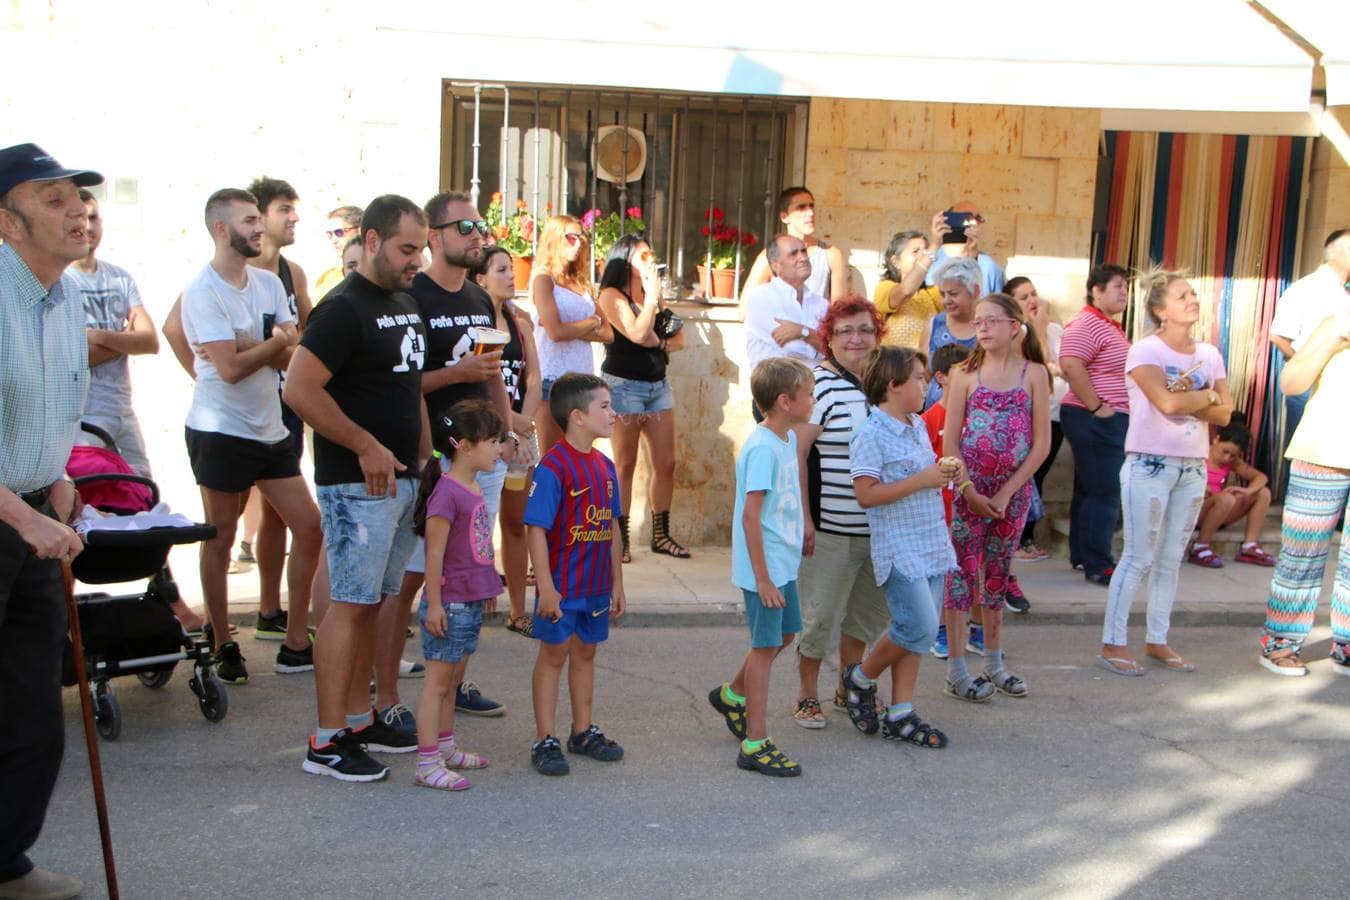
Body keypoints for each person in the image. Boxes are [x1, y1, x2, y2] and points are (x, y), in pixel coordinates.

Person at [286, 194, 429, 781]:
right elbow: (299, 389)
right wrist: (364, 444)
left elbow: (409, 386)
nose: (415, 259)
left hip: (402, 482)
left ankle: (358, 716)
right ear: (371, 241)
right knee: (348, 605)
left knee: (373, 602)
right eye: (405, 248)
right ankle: (325, 740)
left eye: (420, 247)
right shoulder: (341, 308)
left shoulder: (403, 300)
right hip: (356, 485)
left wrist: (425, 459)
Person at [0, 141, 100, 900]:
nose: (78, 210)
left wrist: (57, 478)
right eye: (54, 197)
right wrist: (19, 515)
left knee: (31, 708)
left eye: (79, 195)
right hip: (9, 517)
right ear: (6, 221)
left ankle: (5, 861)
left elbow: (35, 408)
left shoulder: (65, 297)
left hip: (30, 516)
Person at [178, 188, 321, 683]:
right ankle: (221, 642)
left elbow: (293, 350)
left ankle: (296, 640)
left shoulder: (267, 283)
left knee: (309, 527)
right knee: (219, 537)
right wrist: (271, 344)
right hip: (220, 430)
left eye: (260, 219)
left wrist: (258, 345)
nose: (258, 228)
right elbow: (231, 369)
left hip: (270, 426)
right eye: (248, 221)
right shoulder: (202, 290)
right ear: (221, 229)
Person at [389, 191, 513, 729]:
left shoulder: (479, 298)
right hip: (435, 461)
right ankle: (388, 694)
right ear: (434, 236)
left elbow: (492, 374)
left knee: (468, 577)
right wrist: (453, 376)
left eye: (479, 225)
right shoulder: (411, 296)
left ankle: (453, 686)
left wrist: (507, 433)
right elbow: (399, 384)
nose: (476, 235)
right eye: (464, 227)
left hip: (478, 460)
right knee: (414, 579)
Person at [1097, 271, 1232, 676]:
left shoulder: (1209, 353)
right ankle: (1112, 642)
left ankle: (1157, 638)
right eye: (1182, 295)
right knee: (1138, 555)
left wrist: (1197, 398)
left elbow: (1226, 411)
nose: (1192, 300)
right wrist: (1206, 396)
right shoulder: (1144, 350)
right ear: (1160, 310)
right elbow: (1165, 404)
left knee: (1171, 558)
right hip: (1148, 462)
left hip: (1192, 466)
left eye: (1192, 294)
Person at [841, 346, 961, 748]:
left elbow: (924, 474)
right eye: (919, 378)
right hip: (899, 548)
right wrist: (924, 479)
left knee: (914, 633)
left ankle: (901, 711)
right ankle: (859, 678)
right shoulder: (870, 434)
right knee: (920, 628)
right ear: (893, 385)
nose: (926, 384)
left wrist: (945, 471)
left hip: (930, 540)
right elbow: (867, 495)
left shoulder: (917, 425)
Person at [708, 357, 814, 778]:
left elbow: (785, 496)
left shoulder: (786, 438)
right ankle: (756, 742)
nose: (813, 400)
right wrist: (764, 579)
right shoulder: (760, 448)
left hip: (782, 563)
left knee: (785, 634)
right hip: (763, 570)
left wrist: (803, 525)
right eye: (808, 394)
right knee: (765, 647)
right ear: (786, 401)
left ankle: (734, 695)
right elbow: (750, 517)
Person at [942, 293, 1050, 702]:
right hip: (970, 491)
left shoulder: (1034, 374)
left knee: (998, 575)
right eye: (979, 322)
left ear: (1014, 326)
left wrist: (1007, 492)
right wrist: (967, 489)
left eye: (992, 320)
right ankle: (955, 669)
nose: (983, 327)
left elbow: (1041, 445)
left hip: (1013, 495)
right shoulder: (963, 375)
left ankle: (994, 662)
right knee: (961, 575)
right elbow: (950, 440)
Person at [791, 296, 888, 729]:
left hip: (879, 527)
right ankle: (807, 695)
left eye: (864, 329)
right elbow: (797, 455)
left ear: (877, 335)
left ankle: (848, 688)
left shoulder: (885, 384)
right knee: (819, 616)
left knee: (863, 619)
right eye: (845, 330)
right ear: (829, 337)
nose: (855, 338)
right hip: (830, 527)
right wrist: (805, 519)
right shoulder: (820, 385)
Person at [523, 373, 627, 776]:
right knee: (554, 656)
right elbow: (536, 529)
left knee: (586, 652)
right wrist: (545, 587)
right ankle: (544, 737)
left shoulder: (605, 466)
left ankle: (582, 730)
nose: (613, 413)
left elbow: (613, 527)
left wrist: (618, 583)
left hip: (597, 587)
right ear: (578, 417)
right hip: (562, 588)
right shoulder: (553, 467)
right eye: (604, 406)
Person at [411, 400, 502, 790]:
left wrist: (487, 584)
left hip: (471, 598)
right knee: (437, 682)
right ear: (464, 446)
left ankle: (446, 747)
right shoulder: (447, 493)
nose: (500, 449)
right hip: (449, 603)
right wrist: (433, 604)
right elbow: (434, 553)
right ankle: (427, 761)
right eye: (494, 441)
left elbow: (476, 545)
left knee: (453, 679)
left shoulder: (473, 485)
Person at [1258, 308, 1350, 677]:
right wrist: (1332, 339)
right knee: (1302, 555)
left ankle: (1345, 645)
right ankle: (1280, 643)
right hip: (1322, 453)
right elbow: (1291, 382)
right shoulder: (1337, 321)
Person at [243, 175, 314, 646]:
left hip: (284, 405)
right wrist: (206, 376)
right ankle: (230, 635)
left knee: (278, 515)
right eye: (284, 209)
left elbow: (308, 335)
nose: (294, 218)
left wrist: (286, 356)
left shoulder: (293, 272)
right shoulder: (236, 271)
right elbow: (176, 327)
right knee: (228, 520)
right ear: (260, 216)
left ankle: (272, 610)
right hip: (240, 411)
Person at [596, 234, 689, 563]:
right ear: (625, 260)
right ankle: (619, 540)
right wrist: (651, 301)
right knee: (625, 465)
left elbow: (677, 338)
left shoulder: (653, 294)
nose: (652, 261)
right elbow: (636, 332)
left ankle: (661, 535)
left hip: (657, 386)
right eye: (644, 255)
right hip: (624, 386)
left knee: (667, 463)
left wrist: (657, 340)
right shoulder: (611, 295)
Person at [475, 245, 543, 636]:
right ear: (480, 278)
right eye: (501, 269)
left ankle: (517, 611)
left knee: (517, 522)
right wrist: (510, 420)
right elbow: (483, 379)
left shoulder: (521, 322)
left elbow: (533, 376)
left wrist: (523, 422)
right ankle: (469, 601)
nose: (511, 275)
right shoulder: (475, 320)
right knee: (476, 521)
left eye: (512, 269)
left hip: (519, 438)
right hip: (486, 435)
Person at [69, 188, 159, 476]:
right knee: (93, 501)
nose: (88, 226)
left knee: (142, 495)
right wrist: (125, 338)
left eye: (93, 218)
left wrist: (98, 336)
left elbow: (150, 341)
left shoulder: (120, 277)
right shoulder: (59, 281)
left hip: (124, 410)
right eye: (80, 218)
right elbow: (75, 357)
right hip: (83, 416)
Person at [1059, 264, 1132, 586]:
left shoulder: (1108, 325)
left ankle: (1083, 556)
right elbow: (1071, 363)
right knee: (1105, 490)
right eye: (1117, 286)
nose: (1124, 293)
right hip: (1094, 417)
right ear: (1096, 290)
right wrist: (1099, 407)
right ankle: (1099, 563)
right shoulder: (1087, 322)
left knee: (1090, 489)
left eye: (1126, 287)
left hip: (1102, 417)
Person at [531, 215, 612, 453]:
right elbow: (555, 333)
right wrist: (590, 321)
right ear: (555, 239)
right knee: (552, 455)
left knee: (581, 453)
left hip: (583, 381)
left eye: (581, 238)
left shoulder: (581, 282)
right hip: (551, 380)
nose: (577, 243)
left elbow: (608, 333)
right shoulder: (543, 278)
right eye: (570, 237)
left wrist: (573, 328)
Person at [1269, 230, 1350, 447]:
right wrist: (1306, 363)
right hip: (1307, 385)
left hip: (1338, 387)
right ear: (1337, 253)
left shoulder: (1344, 292)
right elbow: (1278, 335)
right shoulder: (1307, 288)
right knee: (1306, 452)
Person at [1008, 276, 1067, 561]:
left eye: (1034, 293)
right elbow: (1040, 369)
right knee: (1025, 476)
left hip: (1055, 414)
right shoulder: (1017, 333)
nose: (1032, 301)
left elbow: (1065, 367)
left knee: (1039, 476)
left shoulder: (1056, 330)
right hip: (1027, 416)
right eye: (1023, 297)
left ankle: (1027, 536)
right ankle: (1018, 538)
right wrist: (1040, 332)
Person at [1189, 413, 1275, 568]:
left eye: (1233, 455)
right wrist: (1198, 485)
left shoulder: (1233, 462)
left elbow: (1261, 477)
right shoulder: (1198, 453)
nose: (1227, 458)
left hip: (1219, 512)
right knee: (1226, 498)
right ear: (1216, 439)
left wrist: (1247, 491)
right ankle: (1200, 547)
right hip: (1194, 512)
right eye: (1224, 451)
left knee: (1263, 493)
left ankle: (1249, 547)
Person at [742, 234, 829, 382]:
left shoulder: (821, 304)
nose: (803, 258)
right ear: (776, 266)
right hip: (774, 393)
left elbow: (832, 349)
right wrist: (816, 342)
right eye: (793, 254)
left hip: (815, 393)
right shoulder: (761, 297)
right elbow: (792, 348)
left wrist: (802, 332)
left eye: (804, 251)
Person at [741, 186, 847, 301]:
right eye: (801, 208)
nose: (810, 213)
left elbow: (840, 310)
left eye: (811, 206)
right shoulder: (769, 257)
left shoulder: (831, 254)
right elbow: (745, 310)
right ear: (784, 217)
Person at [920, 256, 981, 409]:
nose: (946, 300)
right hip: (936, 415)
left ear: (975, 291)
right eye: (942, 294)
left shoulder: (987, 327)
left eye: (953, 294)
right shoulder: (935, 325)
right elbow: (924, 374)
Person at [873, 222, 945, 350]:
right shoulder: (884, 288)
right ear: (896, 261)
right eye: (916, 251)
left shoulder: (932, 293)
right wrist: (933, 247)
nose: (923, 256)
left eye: (925, 251)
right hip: (895, 366)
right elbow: (905, 291)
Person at [923, 202, 1005, 296]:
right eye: (964, 218)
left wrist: (972, 255)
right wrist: (934, 243)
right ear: (948, 221)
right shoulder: (930, 259)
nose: (972, 223)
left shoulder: (988, 265)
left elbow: (997, 305)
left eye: (977, 218)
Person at [313, 204, 364, 302]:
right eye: (329, 234)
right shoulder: (326, 279)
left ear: (360, 230)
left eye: (339, 232)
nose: (334, 240)